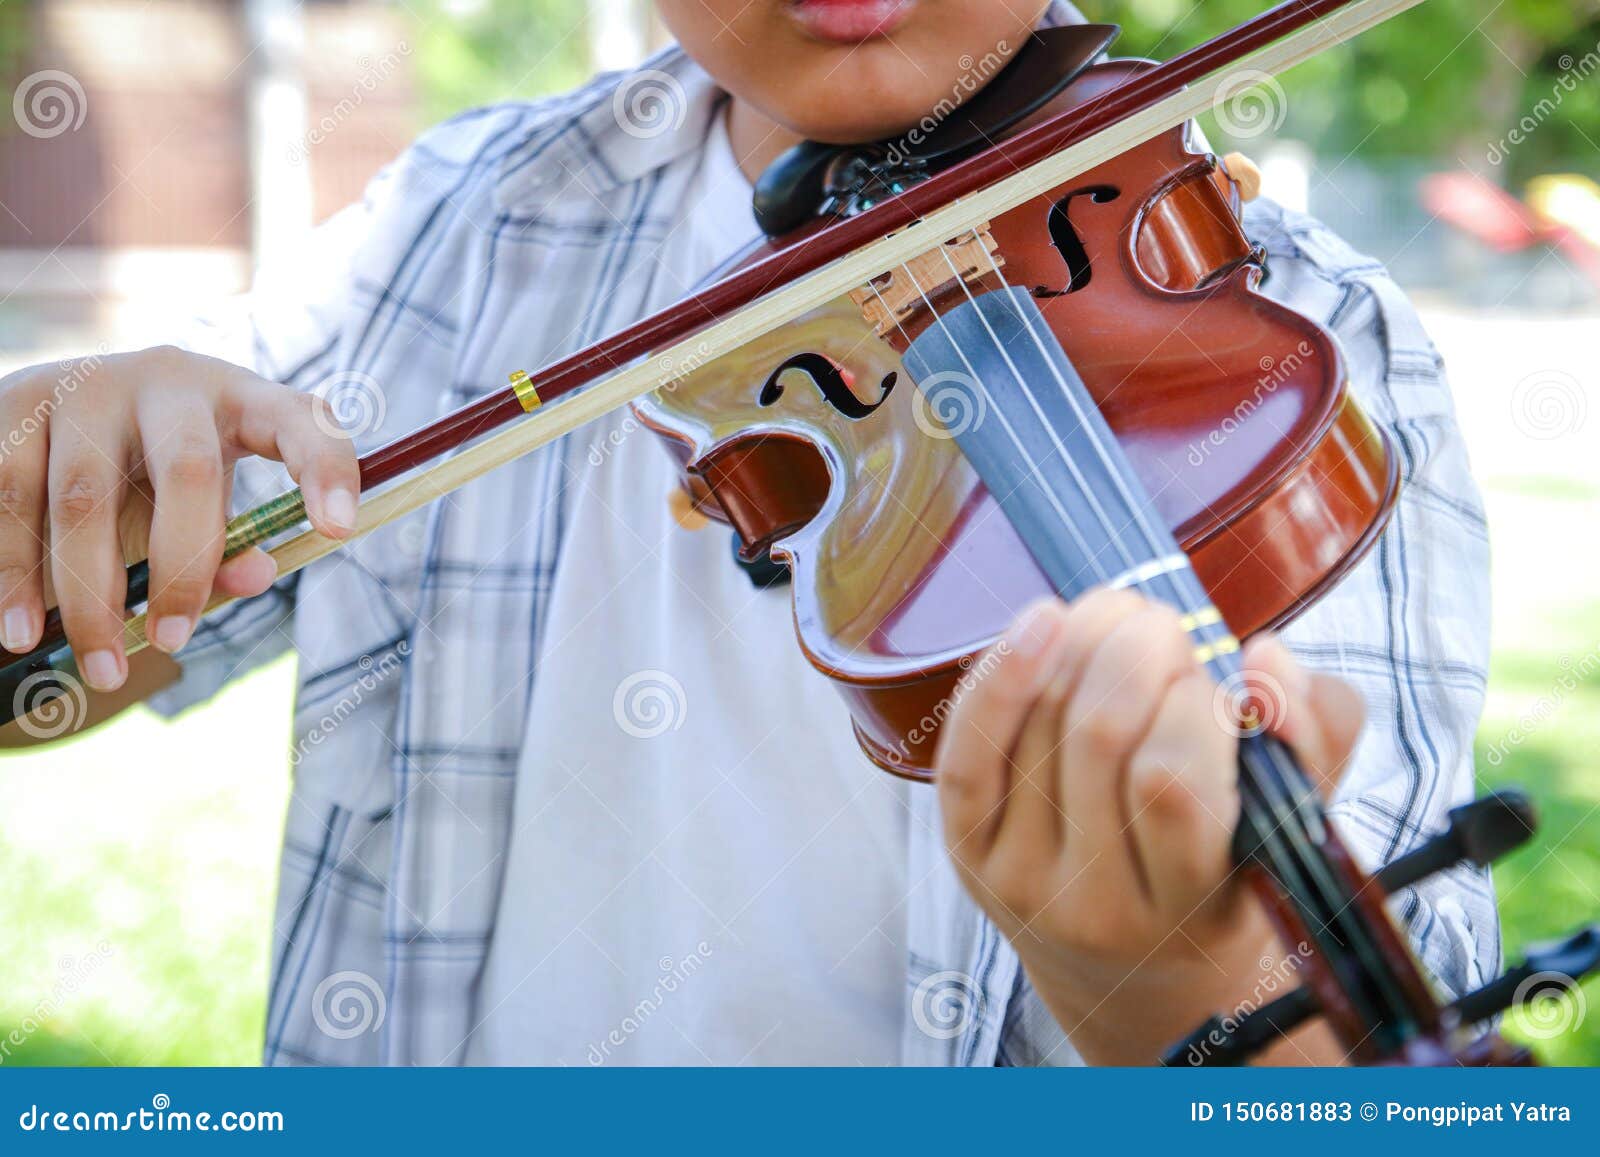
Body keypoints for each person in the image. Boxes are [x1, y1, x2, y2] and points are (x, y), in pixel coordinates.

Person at [0, 0, 1496, 1065]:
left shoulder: (1297, 341)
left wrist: (1168, 982)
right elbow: (56, 669)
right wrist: (54, 495)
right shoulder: (462, 222)